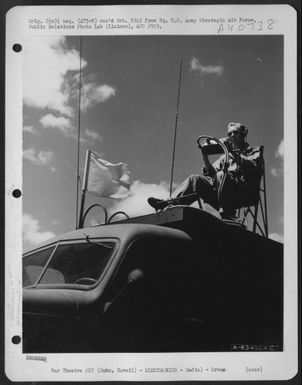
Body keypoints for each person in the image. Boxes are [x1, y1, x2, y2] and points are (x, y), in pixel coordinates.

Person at [148, 122, 262, 221]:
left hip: (243, 192)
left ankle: (228, 214)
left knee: (222, 174)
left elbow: (253, 166)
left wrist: (232, 152)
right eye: (229, 134)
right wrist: (205, 155)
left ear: (243, 134)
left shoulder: (253, 151)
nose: (232, 136)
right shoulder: (226, 157)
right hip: (220, 192)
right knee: (195, 179)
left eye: (235, 132)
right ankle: (170, 204)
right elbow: (212, 174)